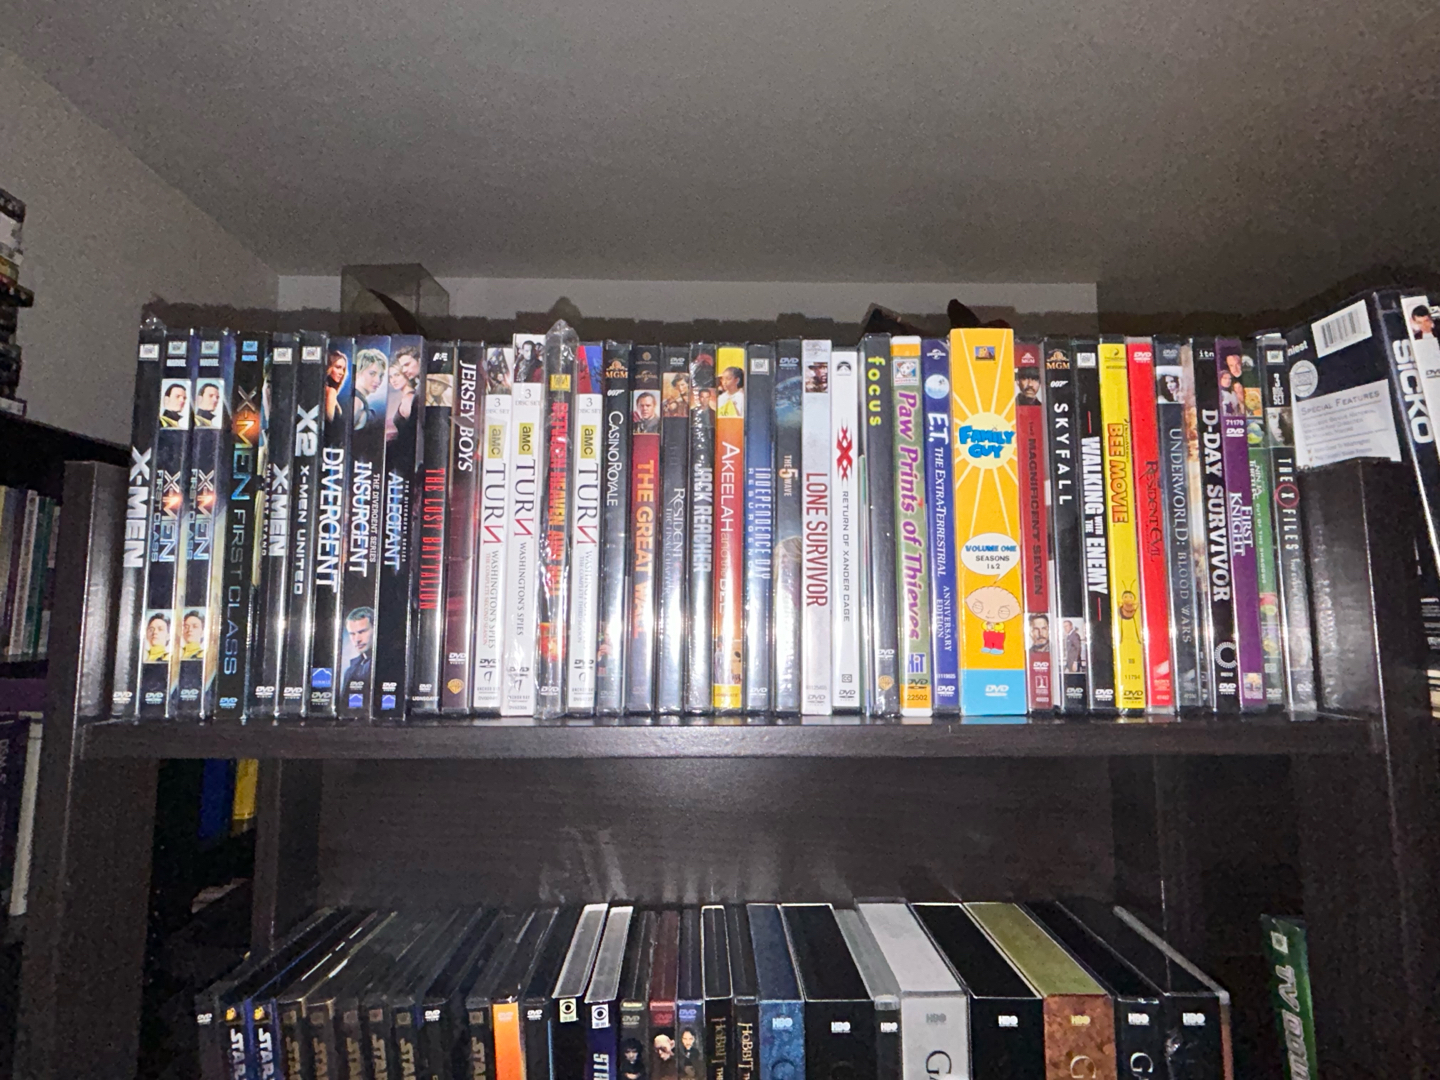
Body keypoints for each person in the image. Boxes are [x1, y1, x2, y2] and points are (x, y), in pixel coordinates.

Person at [342, 607, 374, 690]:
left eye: (361, 632)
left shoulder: (392, 664)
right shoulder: (350, 672)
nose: (357, 639)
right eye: (352, 634)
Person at [353, 351, 387, 429]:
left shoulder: (359, 399)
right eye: (372, 374)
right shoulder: (357, 402)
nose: (378, 380)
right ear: (358, 372)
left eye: (381, 375)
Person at [325, 348, 349, 422]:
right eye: (338, 367)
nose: (342, 373)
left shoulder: (328, 390)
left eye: (343, 369)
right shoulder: (331, 392)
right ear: (329, 367)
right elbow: (329, 423)